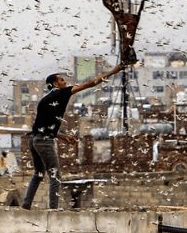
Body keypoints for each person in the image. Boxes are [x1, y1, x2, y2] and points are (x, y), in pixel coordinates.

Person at [22, 63, 123, 210]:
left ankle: (26, 204)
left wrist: (62, 137)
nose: (65, 82)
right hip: (44, 141)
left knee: (38, 174)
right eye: (62, 80)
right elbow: (90, 84)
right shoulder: (62, 93)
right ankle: (53, 210)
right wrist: (114, 71)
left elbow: (43, 126)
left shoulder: (44, 100)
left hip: (34, 139)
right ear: (55, 83)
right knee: (55, 177)